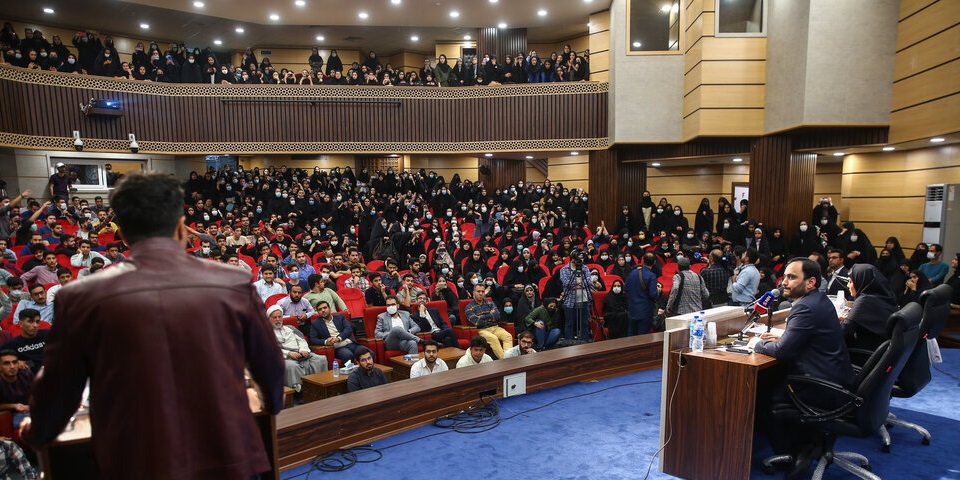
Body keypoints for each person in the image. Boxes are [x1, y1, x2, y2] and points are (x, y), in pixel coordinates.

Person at [22, 173, 285, 480]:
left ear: (121, 233)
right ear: (180, 227)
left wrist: (36, 432)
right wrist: (270, 404)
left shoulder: (78, 297)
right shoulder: (234, 281)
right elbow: (270, 365)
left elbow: (57, 389)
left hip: (135, 462)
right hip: (228, 454)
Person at [751, 258, 853, 478]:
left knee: (760, 395)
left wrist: (758, 344)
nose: (784, 282)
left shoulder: (805, 307)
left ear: (811, 282)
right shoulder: (818, 300)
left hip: (822, 387)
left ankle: (795, 454)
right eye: (784, 276)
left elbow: (783, 352)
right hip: (836, 378)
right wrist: (781, 338)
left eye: (792, 277)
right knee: (771, 379)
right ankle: (807, 441)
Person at [268, 304, 327, 394]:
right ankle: (299, 393)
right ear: (269, 319)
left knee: (321, 359)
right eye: (274, 317)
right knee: (292, 366)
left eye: (279, 317)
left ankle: (320, 387)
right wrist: (288, 353)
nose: (278, 320)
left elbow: (301, 340)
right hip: (284, 357)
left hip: (301, 353)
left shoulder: (290, 328)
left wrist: (303, 350)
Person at [840, 264, 898, 351]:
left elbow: (844, 330)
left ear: (861, 281)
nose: (848, 285)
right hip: (882, 348)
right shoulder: (884, 295)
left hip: (866, 352)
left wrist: (834, 320)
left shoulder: (864, 300)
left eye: (850, 282)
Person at [464, 283, 513, 358]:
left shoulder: (490, 303)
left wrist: (482, 317)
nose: (481, 293)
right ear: (474, 292)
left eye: (483, 291)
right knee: (494, 339)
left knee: (508, 336)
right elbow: (476, 322)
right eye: (478, 291)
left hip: (495, 327)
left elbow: (497, 316)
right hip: (482, 330)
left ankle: (508, 358)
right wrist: (490, 315)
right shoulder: (469, 307)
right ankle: (505, 361)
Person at [559, 248, 592, 340]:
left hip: (583, 297)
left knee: (584, 322)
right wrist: (579, 283)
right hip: (570, 299)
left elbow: (588, 281)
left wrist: (575, 285)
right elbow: (566, 283)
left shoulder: (585, 268)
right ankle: (569, 343)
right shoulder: (564, 269)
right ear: (572, 258)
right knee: (569, 323)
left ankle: (584, 341)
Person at [624, 253, 659, 336]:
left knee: (631, 336)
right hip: (645, 311)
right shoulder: (651, 276)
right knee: (643, 339)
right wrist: (658, 291)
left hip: (632, 310)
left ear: (643, 260)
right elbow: (653, 294)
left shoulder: (633, 273)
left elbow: (625, 288)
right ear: (654, 262)